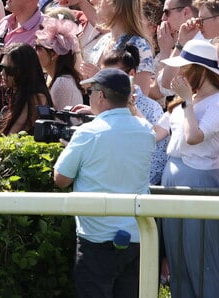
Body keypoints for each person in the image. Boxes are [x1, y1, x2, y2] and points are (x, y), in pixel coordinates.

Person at [53, 67, 155, 298]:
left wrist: (70, 149)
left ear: (100, 96)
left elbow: (60, 179)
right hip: (137, 237)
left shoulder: (87, 133)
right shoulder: (146, 130)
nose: (89, 97)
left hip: (96, 239)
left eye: (91, 92)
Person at [157, 40, 219, 298]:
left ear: (200, 71)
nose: (179, 75)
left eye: (184, 69)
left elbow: (194, 137)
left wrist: (188, 102)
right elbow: (156, 132)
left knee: (204, 261)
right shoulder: (181, 102)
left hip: (201, 182)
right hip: (174, 181)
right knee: (179, 261)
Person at [35, 15, 84, 110]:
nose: (34, 51)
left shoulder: (62, 83)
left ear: (54, 54)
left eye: (38, 48)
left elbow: (59, 121)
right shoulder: (54, 78)